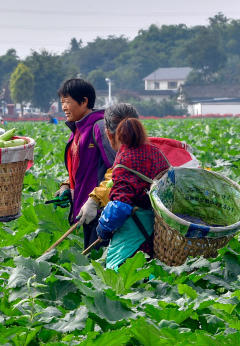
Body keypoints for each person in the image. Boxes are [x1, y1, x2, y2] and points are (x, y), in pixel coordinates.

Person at [96, 115, 170, 269]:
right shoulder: (156, 152)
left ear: (120, 136)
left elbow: (121, 206)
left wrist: (104, 227)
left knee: (122, 276)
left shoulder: (125, 158)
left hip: (133, 228)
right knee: (150, 274)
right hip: (157, 229)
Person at [51, 78, 113, 246]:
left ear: (84, 101)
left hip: (103, 211)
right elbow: (81, 168)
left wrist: (95, 200)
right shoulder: (77, 131)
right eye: (62, 102)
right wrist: (66, 185)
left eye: (67, 102)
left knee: (99, 264)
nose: (63, 107)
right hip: (86, 211)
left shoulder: (100, 128)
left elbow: (118, 170)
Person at [76, 103, 140, 227]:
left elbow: (116, 179)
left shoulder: (126, 158)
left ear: (108, 133)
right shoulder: (154, 149)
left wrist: (95, 200)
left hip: (132, 231)